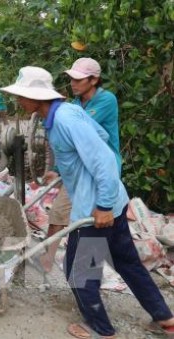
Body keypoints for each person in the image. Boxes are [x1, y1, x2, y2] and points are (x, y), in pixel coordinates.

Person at [1, 66, 174, 338]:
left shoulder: (64, 120)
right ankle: (166, 319)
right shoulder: (67, 111)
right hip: (111, 202)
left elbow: (104, 160)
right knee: (127, 263)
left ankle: (100, 328)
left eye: (22, 96)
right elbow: (101, 138)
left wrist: (103, 206)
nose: (18, 101)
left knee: (79, 270)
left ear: (38, 97)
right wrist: (64, 171)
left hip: (97, 208)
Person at [39, 58, 121, 273]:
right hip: (80, 170)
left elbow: (75, 126)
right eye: (71, 79)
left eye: (79, 79)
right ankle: (48, 261)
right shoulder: (74, 106)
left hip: (102, 170)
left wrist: (55, 111)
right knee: (60, 213)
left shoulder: (106, 100)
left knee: (94, 225)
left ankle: (85, 277)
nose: (73, 83)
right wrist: (56, 170)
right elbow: (66, 142)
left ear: (94, 80)